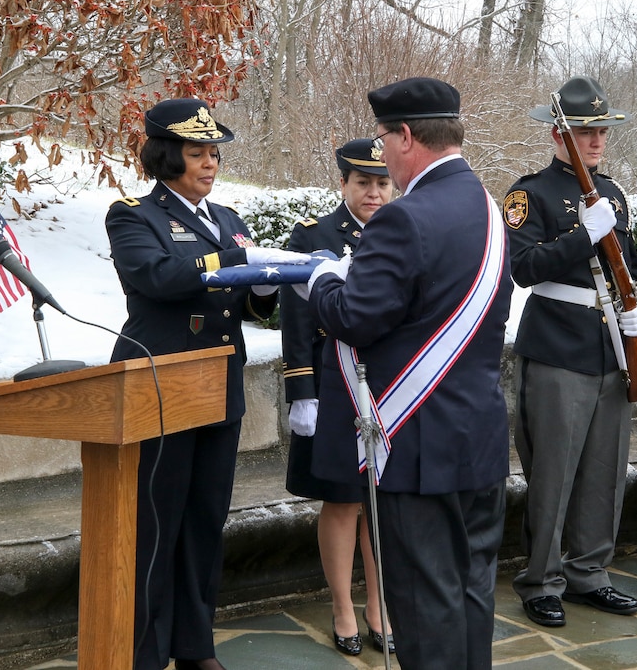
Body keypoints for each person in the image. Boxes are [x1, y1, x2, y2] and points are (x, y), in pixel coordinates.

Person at [302, 77, 513, 669]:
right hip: (478, 439)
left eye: (384, 138)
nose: (384, 153)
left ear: (406, 135)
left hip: (418, 448)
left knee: (424, 609)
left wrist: (321, 278)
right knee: (472, 593)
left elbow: (353, 316)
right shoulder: (489, 207)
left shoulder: (405, 218)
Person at [105, 98, 310, 670]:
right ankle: (144, 652)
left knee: (204, 521)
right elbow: (159, 277)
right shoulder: (132, 216)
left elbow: (245, 301)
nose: (210, 163)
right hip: (160, 383)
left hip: (218, 383)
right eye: (197, 153)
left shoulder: (227, 219)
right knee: (157, 522)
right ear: (167, 155)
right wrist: (233, 260)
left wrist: (266, 283)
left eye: (214, 153)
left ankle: (194, 647)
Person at [502, 75, 637, 626]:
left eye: (601, 131)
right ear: (559, 135)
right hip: (558, 344)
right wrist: (581, 235)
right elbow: (523, 269)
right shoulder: (530, 193)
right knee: (554, 472)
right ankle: (541, 579)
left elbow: (625, 263)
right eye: (586, 131)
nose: (596, 141)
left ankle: (590, 573)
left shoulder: (612, 193)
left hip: (609, 342)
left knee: (604, 470)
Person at [279, 138, 395, 656]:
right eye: (363, 182)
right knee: (344, 500)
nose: (374, 192)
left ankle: (380, 603)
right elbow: (295, 319)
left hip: (392, 385)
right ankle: (343, 606)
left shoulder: (403, 230)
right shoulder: (313, 237)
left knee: (383, 500)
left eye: (382, 182)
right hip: (333, 384)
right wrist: (301, 390)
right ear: (343, 183)